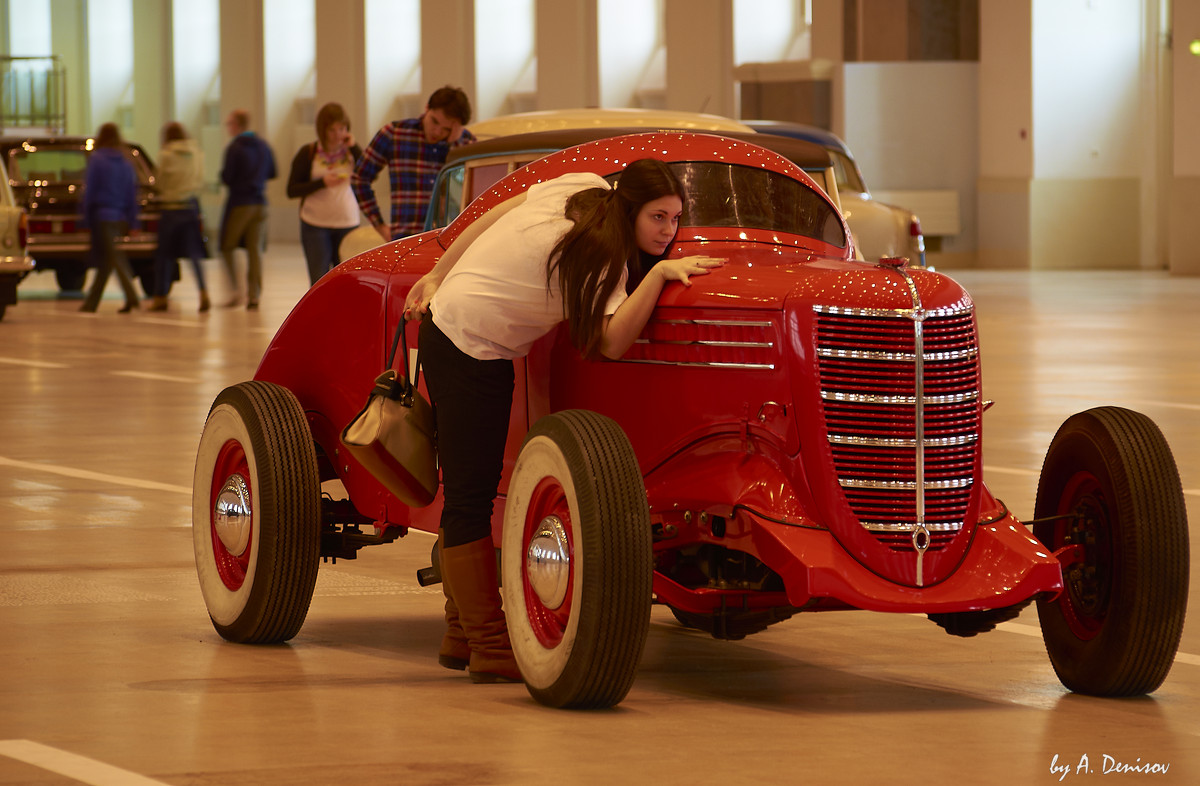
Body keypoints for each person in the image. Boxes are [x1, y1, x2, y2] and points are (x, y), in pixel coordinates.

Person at [403, 159, 724, 683]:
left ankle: (461, 632)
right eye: (658, 217)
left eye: (675, 218)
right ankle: (488, 644)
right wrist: (661, 275)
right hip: (471, 346)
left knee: (470, 489)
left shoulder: (583, 185)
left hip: (457, 329)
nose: (669, 232)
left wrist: (442, 271)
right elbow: (610, 342)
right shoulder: (605, 259)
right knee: (470, 496)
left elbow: (493, 214)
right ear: (629, 208)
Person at [352, 85, 475, 242]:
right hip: (406, 239)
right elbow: (359, 178)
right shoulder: (394, 134)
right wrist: (380, 226)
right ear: (426, 108)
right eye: (434, 121)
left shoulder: (465, 142)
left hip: (452, 239)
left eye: (445, 129)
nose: (437, 131)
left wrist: (454, 141)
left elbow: (476, 189)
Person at [287, 102, 363, 285]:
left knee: (346, 280)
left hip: (347, 222)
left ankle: (343, 313)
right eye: (332, 130)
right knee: (319, 280)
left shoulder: (352, 153)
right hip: (315, 224)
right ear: (323, 130)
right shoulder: (308, 153)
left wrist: (354, 147)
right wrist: (321, 183)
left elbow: (368, 174)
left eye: (342, 129)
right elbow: (291, 190)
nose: (338, 135)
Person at [80, 123, 140, 313]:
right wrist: (133, 221)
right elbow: (132, 194)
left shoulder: (97, 160)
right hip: (120, 217)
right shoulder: (125, 162)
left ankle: (132, 296)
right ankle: (91, 304)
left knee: (114, 257)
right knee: (106, 261)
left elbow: (90, 192)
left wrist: (85, 219)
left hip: (102, 217)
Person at [219, 109, 277, 309]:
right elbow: (273, 172)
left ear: (237, 125)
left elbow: (227, 177)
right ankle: (254, 295)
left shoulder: (234, 148)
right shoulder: (263, 146)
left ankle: (236, 291)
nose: (228, 128)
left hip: (240, 203)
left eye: (230, 124)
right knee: (255, 250)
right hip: (261, 202)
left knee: (226, 246)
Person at [150, 122, 210, 312]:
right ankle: (203, 292)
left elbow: (159, 182)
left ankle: (160, 297)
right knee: (194, 255)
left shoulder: (166, 154)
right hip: (190, 207)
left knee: (165, 255)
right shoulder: (197, 153)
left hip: (171, 208)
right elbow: (201, 179)